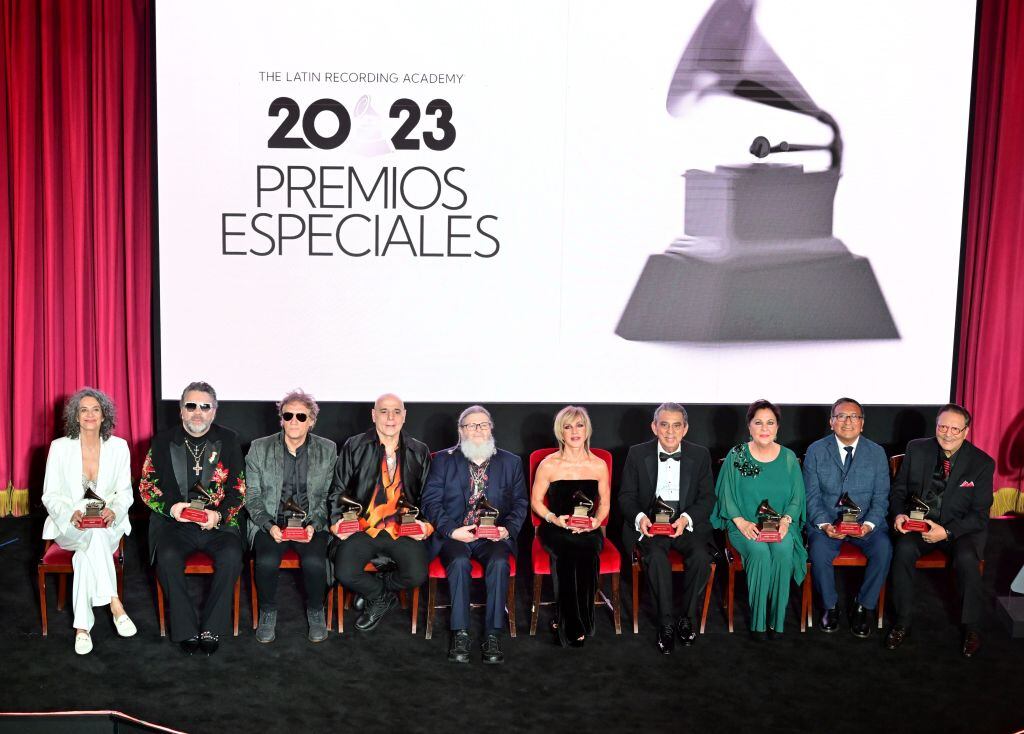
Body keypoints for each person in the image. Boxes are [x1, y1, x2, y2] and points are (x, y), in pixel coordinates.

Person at [139, 381, 245, 656]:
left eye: (205, 406)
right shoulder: (162, 441)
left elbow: (239, 489)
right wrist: (172, 508)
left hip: (217, 525)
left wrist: (218, 515)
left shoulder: (230, 440)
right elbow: (147, 486)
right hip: (175, 525)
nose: (198, 412)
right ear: (181, 410)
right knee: (168, 556)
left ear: (214, 411)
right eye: (191, 405)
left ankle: (212, 627)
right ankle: (185, 628)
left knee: (232, 556)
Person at [421, 405, 528, 664]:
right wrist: (452, 530)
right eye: (471, 425)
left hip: (492, 537)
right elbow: (430, 502)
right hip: (456, 535)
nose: (478, 430)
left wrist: (507, 529)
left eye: (483, 425)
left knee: (500, 562)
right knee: (458, 563)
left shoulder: (511, 462)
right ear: (461, 431)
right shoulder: (443, 460)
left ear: (491, 428)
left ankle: (493, 634)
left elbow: (520, 503)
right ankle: (461, 632)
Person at [886, 403, 994, 658]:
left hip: (957, 529)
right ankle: (902, 621)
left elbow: (979, 515)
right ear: (936, 426)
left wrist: (945, 532)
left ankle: (972, 628)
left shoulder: (981, 463)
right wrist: (899, 514)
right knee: (903, 548)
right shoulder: (917, 448)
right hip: (918, 522)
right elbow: (899, 490)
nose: (947, 433)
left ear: (966, 432)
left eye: (955, 429)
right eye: (943, 426)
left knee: (968, 558)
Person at [41, 388, 136, 654]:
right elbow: (50, 494)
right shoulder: (59, 448)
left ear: (104, 415)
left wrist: (114, 511)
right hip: (70, 524)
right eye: (84, 410)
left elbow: (124, 493)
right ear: (76, 416)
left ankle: (82, 628)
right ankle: (115, 603)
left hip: (107, 524)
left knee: (88, 550)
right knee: (92, 537)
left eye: (95, 409)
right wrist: (69, 513)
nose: (90, 415)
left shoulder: (119, 447)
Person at [329, 393, 432, 632]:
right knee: (344, 571)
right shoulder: (355, 446)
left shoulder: (419, 450)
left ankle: (377, 592)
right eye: (384, 411)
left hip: (402, 529)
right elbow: (338, 489)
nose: (390, 417)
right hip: (364, 527)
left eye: (396, 411)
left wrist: (424, 525)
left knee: (417, 574)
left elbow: (429, 497)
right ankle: (381, 596)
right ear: (373, 415)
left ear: (404, 416)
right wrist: (336, 522)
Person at [619, 402, 714, 654]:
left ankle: (687, 618)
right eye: (664, 424)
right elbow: (626, 496)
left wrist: (685, 519)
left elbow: (707, 499)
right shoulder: (637, 454)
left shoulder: (700, 454)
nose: (670, 431)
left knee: (701, 557)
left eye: (676, 425)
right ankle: (666, 623)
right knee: (657, 557)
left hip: (685, 523)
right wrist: (640, 518)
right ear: (654, 427)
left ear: (685, 429)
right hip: (651, 523)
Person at [245, 389, 337, 643]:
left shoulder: (327, 450)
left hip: (310, 523)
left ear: (312, 421)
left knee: (315, 563)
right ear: (281, 418)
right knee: (265, 562)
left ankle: (316, 611)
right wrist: (268, 525)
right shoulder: (259, 448)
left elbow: (331, 495)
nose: (294, 421)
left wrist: (315, 524)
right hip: (271, 522)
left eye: (301, 416)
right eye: (288, 415)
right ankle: (267, 611)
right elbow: (251, 496)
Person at [712, 399, 807, 640]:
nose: (765, 428)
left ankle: (777, 621)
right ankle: (758, 623)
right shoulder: (736, 455)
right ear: (750, 427)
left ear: (777, 428)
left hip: (781, 525)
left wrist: (786, 521)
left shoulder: (788, 458)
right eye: (759, 422)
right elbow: (726, 496)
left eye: (770, 423)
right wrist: (741, 522)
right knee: (760, 552)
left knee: (784, 550)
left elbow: (797, 498)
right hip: (743, 525)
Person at [803, 397, 892, 637]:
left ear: (862, 424)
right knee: (819, 552)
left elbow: (882, 497)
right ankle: (830, 607)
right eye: (841, 416)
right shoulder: (815, 451)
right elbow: (811, 496)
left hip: (865, 525)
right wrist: (824, 525)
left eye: (854, 416)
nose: (848, 421)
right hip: (829, 523)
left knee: (884, 550)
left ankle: (864, 606)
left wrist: (869, 525)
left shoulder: (877, 453)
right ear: (831, 422)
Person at [531, 405, 610, 647]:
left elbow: (605, 504)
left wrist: (596, 521)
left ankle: (577, 619)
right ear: (560, 432)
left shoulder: (599, 465)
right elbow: (535, 501)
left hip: (589, 526)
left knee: (587, 551)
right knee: (566, 552)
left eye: (579, 425)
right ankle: (572, 624)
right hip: (556, 525)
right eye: (568, 426)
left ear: (587, 430)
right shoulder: (549, 464)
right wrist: (554, 518)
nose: (574, 431)